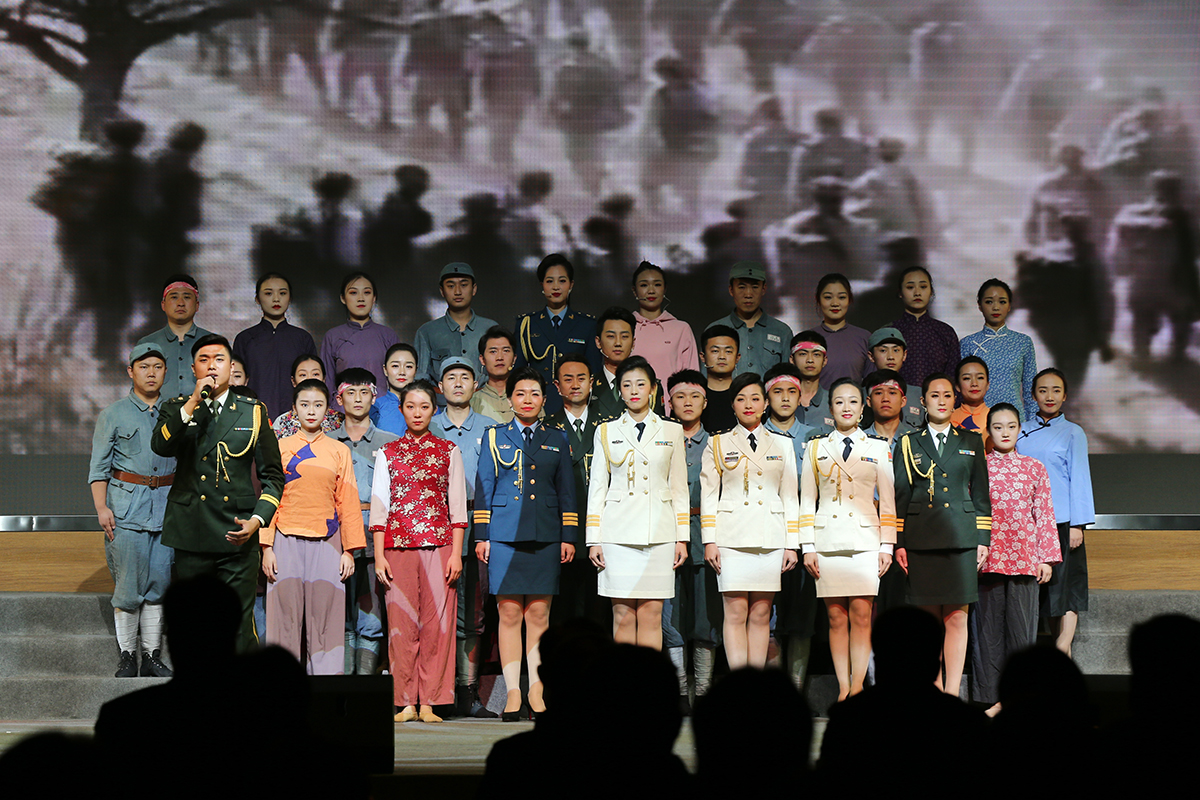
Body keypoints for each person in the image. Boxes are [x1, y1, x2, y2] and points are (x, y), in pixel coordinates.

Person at [151, 334, 284, 653]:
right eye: (204, 360)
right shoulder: (177, 408)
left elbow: (273, 477)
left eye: (219, 359)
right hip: (191, 533)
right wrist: (192, 404)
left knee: (238, 627)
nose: (212, 366)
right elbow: (161, 446)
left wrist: (257, 521)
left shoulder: (252, 411)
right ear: (193, 368)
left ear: (231, 366)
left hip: (236, 533)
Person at [474, 368, 577, 720]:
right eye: (520, 393)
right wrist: (482, 536)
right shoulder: (494, 436)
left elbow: (567, 491)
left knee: (538, 614)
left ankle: (536, 688)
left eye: (534, 393)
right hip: (504, 535)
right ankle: (513, 692)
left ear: (544, 399)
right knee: (508, 613)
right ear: (510, 399)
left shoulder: (557, 438)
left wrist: (568, 536)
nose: (528, 400)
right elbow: (484, 488)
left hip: (546, 535)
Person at [371, 379, 468, 723]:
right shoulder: (387, 453)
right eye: (410, 406)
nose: (417, 413)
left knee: (437, 625)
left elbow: (458, 508)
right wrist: (379, 555)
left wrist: (456, 554)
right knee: (401, 624)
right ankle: (405, 702)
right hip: (397, 547)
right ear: (401, 410)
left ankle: (429, 701)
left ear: (433, 409)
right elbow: (380, 508)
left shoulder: (448, 451)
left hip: (440, 546)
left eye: (424, 406)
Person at [893, 373, 991, 697]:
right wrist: (900, 543)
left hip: (962, 539)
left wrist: (983, 540)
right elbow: (901, 496)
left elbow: (981, 495)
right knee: (928, 622)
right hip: (921, 539)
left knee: (957, 618)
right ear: (923, 402)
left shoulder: (971, 441)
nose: (941, 401)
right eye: (934, 395)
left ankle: (951, 694)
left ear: (954, 400)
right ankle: (933, 692)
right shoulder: (908, 442)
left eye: (947, 395)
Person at [800, 379, 896, 700]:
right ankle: (843, 688)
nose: (846, 407)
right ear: (830, 408)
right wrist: (807, 546)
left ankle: (857, 687)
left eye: (853, 401)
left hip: (866, 540)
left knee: (862, 615)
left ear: (862, 407)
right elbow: (807, 500)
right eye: (839, 401)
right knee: (836, 617)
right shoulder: (816, 447)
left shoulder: (878, 447)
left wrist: (887, 546)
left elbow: (888, 501)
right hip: (827, 540)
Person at [261, 380, 364, 674]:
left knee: (327, 618)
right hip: (285, 539)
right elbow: (270, 497)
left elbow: (348, 500)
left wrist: (349, 551)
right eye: (304, 405)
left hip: (328, 541)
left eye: (318, 405)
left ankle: (326, 688)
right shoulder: (279, 447)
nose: (311, 411)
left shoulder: (338, 450)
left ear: (327, 410)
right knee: (284, 618)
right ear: (294, 409)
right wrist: (266, 547)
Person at [587, 357, 689, 650]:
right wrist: (594, 539)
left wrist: (682, 538)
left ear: (653, 389)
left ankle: (648, 680)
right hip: (616, 535)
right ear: (619, 390)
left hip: (660, 535)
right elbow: (597, 488)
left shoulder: (672, 430)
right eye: (627, 385)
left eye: (640, 384)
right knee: (622, 616)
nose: (634, 391)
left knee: (651, 616)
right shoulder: (606, 431)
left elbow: (679, 489)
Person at [700, 373, 800, 669]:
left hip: (770, 537)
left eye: (755, 398)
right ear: (732, 405)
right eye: (741, 399)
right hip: (731, 538)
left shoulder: (782, 444)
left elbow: (790, 496)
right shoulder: (718, 443)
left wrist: (791, 544)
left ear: (765, 404)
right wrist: (709, 541)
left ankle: (756, 685)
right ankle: (738, 684)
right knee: (735, 612)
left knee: (761, 614)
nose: (748, 405)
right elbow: (709, 495)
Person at [89, 343, 176, 678]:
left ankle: (152, 656)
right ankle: (127, 657)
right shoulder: (113, 414)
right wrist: (101, 507)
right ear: (130, 371)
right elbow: (99, 468)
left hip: (166, 509)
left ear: (165, 371)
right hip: (126, 510)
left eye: (157, 366)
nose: (151, 373)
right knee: (128, 587)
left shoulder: (176, 412)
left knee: (159, 583)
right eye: (143, 366)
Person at [973, 403, 1061, 715]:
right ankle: (990, 699)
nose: (1005, 432)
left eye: (1011, 426)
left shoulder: (1034, 468)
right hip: (989, 559)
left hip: (1025, 558)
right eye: (998, 427)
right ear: (989, 431)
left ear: (1019, 429)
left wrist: (1046, 558)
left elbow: (1044, 514)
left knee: (1022, 632)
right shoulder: (978, 467)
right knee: (987, 633)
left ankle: (1020, 697)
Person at [428, 358, 501, 718]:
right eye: (450, 378)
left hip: (479, 529)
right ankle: (437, 692)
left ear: (476, 385)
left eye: (465, 377)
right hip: (434, 530)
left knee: (473, 614)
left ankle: (467, 692)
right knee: (436, 612)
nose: (458, 383)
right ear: (440, 387)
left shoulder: (491, 429)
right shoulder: (427, 426)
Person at [1016, 368, 1094, 657]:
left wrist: (1078, 525)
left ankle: (1063, 649)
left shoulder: (1073, 432)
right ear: (1033, 395)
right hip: (1028, 523)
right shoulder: (1020, 430)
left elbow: (1079, 477)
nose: (1049, 396)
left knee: (1066, 588)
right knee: (1045, 590)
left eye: (1056, 390)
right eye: (1043, 390)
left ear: (1065, 396)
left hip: (1062, 522)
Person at [329, 368, 399, 676]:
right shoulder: (327, 442)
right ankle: (344, 687)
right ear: (338, 398)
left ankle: (365, 688)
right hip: (335, 537)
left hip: (375, 538)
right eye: (350, 392)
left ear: (374, 397)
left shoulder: (390, 443)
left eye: (364, 392)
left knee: (371, 617)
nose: (357, 399)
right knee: (340, 616)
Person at [546, 355, 616, 632]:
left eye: (581, 378)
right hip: (562, 530)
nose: (575, 384)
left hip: (604, 528)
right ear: (557, 386)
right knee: (563, 608)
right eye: (568, 379)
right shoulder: (547, 427)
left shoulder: (610, 426)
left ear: (592, 382)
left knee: (599, 607)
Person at [665, 370, 722, 706]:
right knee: (669, 618)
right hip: (665, 535)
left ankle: (702, 692)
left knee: (705, 618)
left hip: (704, 536)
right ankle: (676, 693)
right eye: (680, 397)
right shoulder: (660, 439)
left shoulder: (717, 444)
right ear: (669, 402)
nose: (687, 402)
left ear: (705, 401)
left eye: (695, 396)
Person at [762, 362, 818, 690]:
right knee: (765, 616)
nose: (785, 398)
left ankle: (794, 694)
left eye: (792, 392)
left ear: (801, 397)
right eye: (777, 392)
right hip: (765, 535)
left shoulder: (815, 437)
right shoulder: (756, 436)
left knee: (801, 619)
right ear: (766, 397)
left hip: (805, 537)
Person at [514, 254, 600, 416]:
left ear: (571, 285)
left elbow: (594, 372)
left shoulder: (586, 325)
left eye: (562, 281)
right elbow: (518, 373)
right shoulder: (527, 324)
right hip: (537, 406)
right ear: (542, 285)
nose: (555, 287)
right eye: (549, 281)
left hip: (575, 406)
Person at [233, 272, 320, 420]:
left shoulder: (302, 338)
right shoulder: (245, 339)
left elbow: (313, 383)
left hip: (296, 418)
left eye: (282, 293)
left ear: (290, 298)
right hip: (253, 417)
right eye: (268, 293)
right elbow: (236, 383)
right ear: (257, 299)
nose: (276, 299)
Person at [959, 279, 1039, 421]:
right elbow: (961, 391)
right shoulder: (968, 344)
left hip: (1015, 422)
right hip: (977, 422)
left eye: (1002, 302)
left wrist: (1032, 427)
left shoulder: (1023, 342)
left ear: (1010, 305)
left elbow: (1030, 391)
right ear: (979, 305)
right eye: (989, 302)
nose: (996, 307)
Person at [320, 272, 399, 412]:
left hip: (382, 412)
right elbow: (328, 383)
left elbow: (399, 379)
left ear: (374, 298)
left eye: (367, 292)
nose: (361, 298)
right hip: (343, 413)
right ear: (343, 298)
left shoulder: (388, 335)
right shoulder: (332, 336)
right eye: (353, 293)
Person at [413, 262, 500, 390]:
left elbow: (500, 373)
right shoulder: (426, 332)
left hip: (485, 400)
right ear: (442, 291)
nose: (458, 291)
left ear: (474, 289)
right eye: (451, 286)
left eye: (464, 285)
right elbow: (421, 379)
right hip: (441, 401)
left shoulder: (490, 329)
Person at [630, 261, 700, 411]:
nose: (651, 291)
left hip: (670, 412)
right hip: (630, 411)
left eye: (657, 284)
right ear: (634, 291)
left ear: (665, 289)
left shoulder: (681, 329)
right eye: (644, 285)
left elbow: (691, 380)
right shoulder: (625, 329)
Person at [706, 261, 793, 377]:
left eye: (755, 287)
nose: (748, 294)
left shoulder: (782, 332)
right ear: (731, 290)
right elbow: (705, 379)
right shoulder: (714, 331)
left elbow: (789, 379)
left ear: (764, 289)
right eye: (741, 287)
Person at [137, 274, 214, 401]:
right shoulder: (147, 344)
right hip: (159, 414)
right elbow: (138, 392)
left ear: (197, 305)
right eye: (174, 297)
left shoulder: (214, 343)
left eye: (187, 297)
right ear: (163, 305)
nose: (180, 303)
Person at [890, 266, 960, 390]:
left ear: (931, 291)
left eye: (923, 287)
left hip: (938, 400)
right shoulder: (890, 332)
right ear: (900, 293)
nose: (917, 293)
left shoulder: (945, 332)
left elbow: (953, 378)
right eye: (910, 287)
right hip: (897, 400)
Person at [814, 273, 872, 388]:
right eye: (828, 297)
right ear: (818, 300)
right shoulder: (807, 339)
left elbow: (871, 383)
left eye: (841, 297)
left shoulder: (864, 338)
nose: (835, 303)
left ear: (850, 300)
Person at [861, 327, 925, 429]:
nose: (890, 357)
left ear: (904, 355)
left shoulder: (918, 395)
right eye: (883, 350)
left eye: (896, 350)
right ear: (871, 356)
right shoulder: (859, 396)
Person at [272, 355, 344, 438]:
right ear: (293, 381)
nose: (309, 378)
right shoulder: (282, 422)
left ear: (324, 378)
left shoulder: (339, 420)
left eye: (315, 374)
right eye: (303, 375)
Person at [470, 326, 518, 424]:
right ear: (482, 359)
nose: (499, 357)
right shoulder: (473, 400)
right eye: (493, 351)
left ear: (514, 359)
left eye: (506, 351)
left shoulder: (526, 398)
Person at [791, 331, 835, 432]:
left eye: (816, 354)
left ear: (825, 360)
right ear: (792, 359)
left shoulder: (834, 402)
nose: (810, 360)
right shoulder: (780, 400)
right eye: (803, 354)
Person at [699, 325, 739, 434]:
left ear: (737, 357)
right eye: (715, 351)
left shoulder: (745, 396)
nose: (722, 357)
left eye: (728, 351)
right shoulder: (694, 396)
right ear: (703, 357)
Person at [371, 343, 418, 436]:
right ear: (385, 370)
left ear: (416, 371)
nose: (402, 372)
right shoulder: (375, 407)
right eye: (395, 366)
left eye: (408, 366)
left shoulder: (427, 406)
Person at [950, 355, 992, 449]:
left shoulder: (997, 418)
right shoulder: (947, 418)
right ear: (957, 386)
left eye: (980, 378)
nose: (974, 384)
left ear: (987, 384)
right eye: (967, 378)